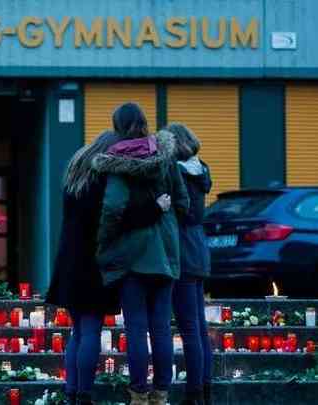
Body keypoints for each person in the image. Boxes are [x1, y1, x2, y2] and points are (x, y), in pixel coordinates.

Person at [46, 130, 172, 405]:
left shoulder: (75, 170)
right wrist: (155, 208)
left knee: (78, 331)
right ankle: (84, 395)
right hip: (94, 262)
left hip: (68, 262)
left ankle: (71, 390)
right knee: (90, 330)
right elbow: (120, 218)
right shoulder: (103, 177)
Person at [93, 103, 189, 405]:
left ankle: (138, 394)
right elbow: (184, 202)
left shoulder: (118, 162)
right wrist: (167, 219)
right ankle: (161, 393)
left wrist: (105, 240)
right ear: (145, 124)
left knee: (136, 328)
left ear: (118, 128)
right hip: (165, 255)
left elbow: (112, 208)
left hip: (132, 257)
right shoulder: (167, 159)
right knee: (161, 328)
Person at [165, 123, 213, 405]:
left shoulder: (177, 173)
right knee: (198, 326)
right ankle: (204, 389)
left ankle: (193, 393)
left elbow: (178, 212)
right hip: (199, 248)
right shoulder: (201, 169)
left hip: (182, 251)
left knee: (189, 328)